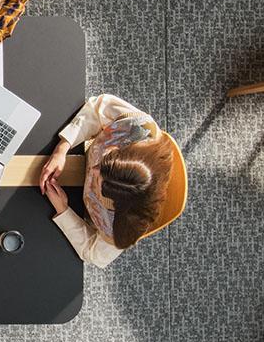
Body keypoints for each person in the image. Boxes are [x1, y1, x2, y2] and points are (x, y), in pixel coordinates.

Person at [39, 94, 175, 268]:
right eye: (105, 159)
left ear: (114, 206)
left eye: (96, 182)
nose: (93, 169)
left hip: (76, 204)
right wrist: (63, 147)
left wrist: (63, 210)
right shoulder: (138, 129)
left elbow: (94, 254)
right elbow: (98, 109)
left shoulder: (121, 225)